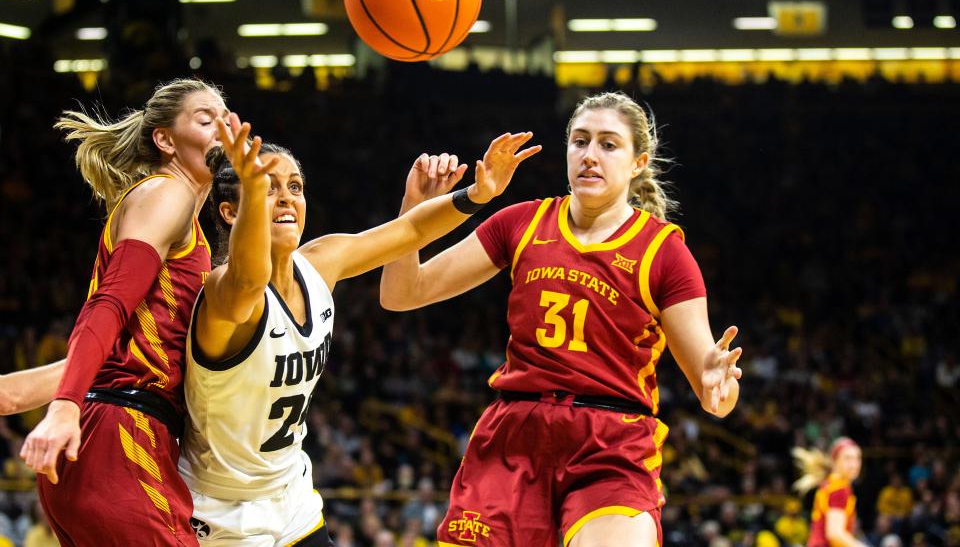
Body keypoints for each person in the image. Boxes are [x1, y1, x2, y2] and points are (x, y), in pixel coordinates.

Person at [379, 91, 744, 547]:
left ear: (638, 162)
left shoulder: (663, 251)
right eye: (580, 141)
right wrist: (413, 212)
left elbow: (715, 396)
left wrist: (719, 386)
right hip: (515, 434)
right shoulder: (521, 223)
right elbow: (401, 293)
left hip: (610, 442)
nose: (590, 155)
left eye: (609, 145)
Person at [179, 119, 539, 545]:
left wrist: (477, 195)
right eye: (267, 187)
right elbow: (248, 280)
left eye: (295, 186)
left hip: (289, 494)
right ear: (230, 211)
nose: (286, 198)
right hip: (223, 512)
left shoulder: (320, 263)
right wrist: (255, 195)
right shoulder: (223, 292)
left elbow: (409, 231)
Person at [18, 78, 230, 546]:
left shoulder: (185, 220)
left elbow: (104, 355)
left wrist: (22, 398)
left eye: (226, 116)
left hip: (102, 438)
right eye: (205, 118)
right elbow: (108, 304)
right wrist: (63, 407)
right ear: (165, 140)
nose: (223, 126)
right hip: (121, 438)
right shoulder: (167, 195)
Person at [793, 437, 868, 547]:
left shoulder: (829, 484)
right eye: (848, 458)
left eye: (857, 458)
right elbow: (835, 534)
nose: (854, 464)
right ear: (834, 461)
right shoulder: (839, 489)